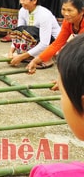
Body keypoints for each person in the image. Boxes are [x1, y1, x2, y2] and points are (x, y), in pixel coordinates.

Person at [29, 34, 84, 175]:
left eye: (62, 93)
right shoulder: (68, 24)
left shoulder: (50, 174)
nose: (65, 12)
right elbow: (58, 42)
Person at [27, 0, 84, 74]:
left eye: (70, 10)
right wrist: (35, 61)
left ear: (82, 11)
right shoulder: (67, 22)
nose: (66, 14)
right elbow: (56, 44)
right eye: (63, 9)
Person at [8, 0, 60, 67]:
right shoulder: (22, 11)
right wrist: (10, 52)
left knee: (31, 30)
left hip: (52, 43)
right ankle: (32, 56)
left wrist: (21, 56)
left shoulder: (44, 15)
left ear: (34, 0)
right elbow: (18, 33)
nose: (20, 2)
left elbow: (44, 43)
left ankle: (47, 58)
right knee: (24, 30)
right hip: (36, 39)